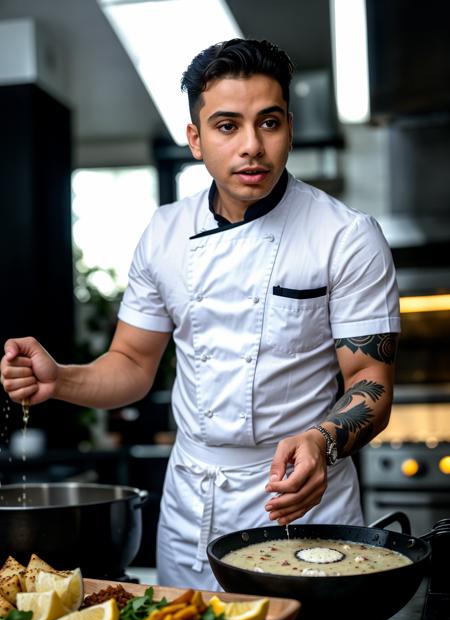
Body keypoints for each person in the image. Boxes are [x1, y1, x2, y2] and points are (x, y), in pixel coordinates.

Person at [0, 38, 400, 590]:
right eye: (227, 125)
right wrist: (61, 379)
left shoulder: (346, 237)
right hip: (191, 504)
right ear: (196, 138)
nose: (252, 148)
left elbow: (370, 382)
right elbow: (132, 364)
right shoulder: (165, 232)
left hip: (299, 498)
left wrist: (321, 441)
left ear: (289, 128)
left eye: (270, 122)